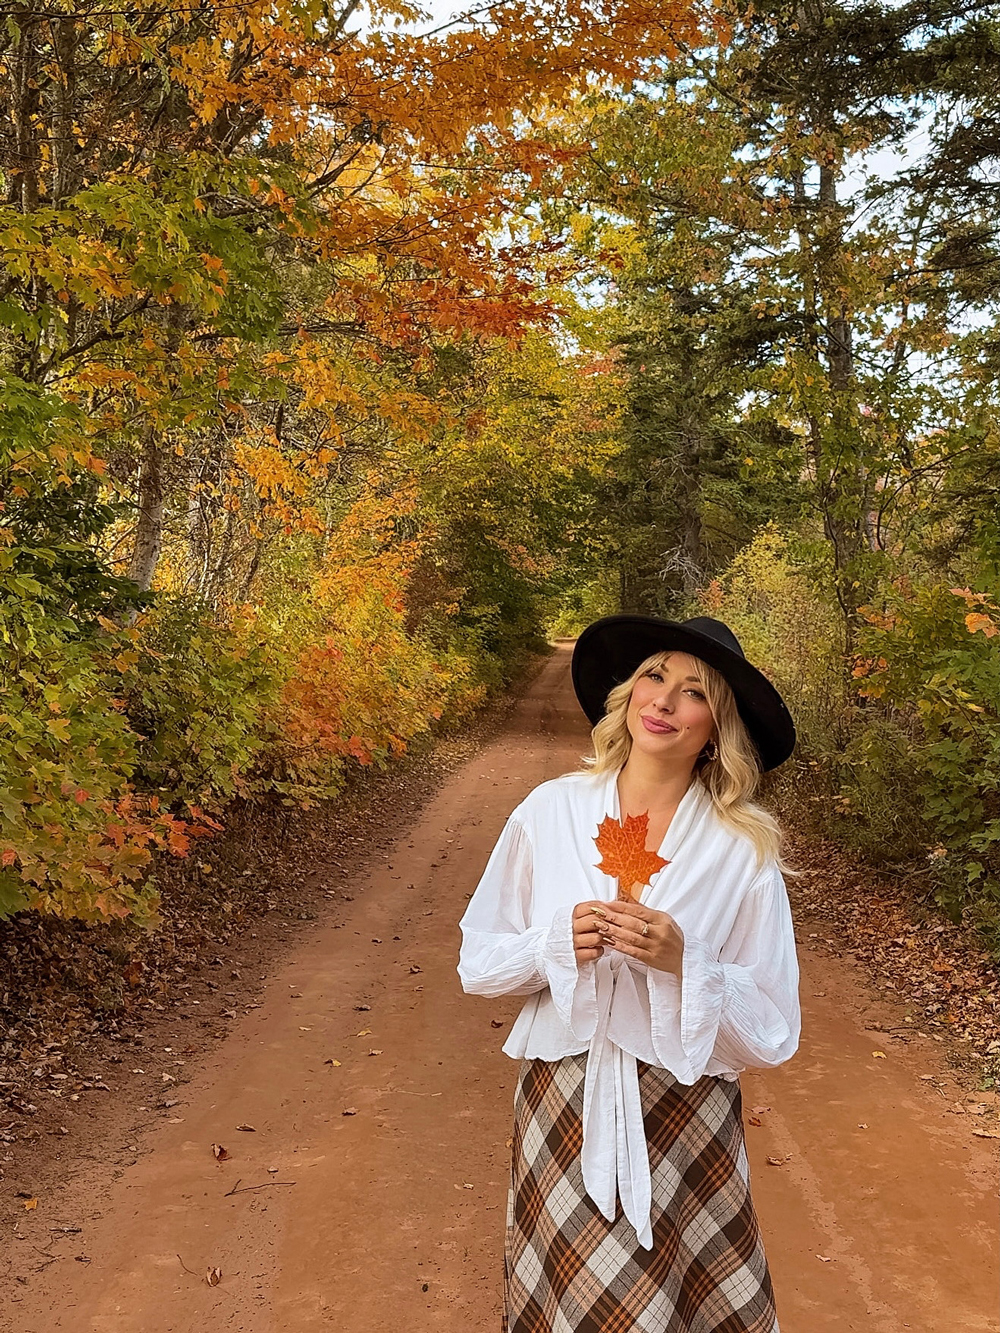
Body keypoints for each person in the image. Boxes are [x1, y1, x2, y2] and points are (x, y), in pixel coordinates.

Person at [457, 614, 802, 1333]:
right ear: (628, 693)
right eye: (655, 675)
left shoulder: (742, 851)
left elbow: (771, 1025)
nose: (665, 701)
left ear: (718, 727)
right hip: (565, 1104)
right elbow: (479, 962)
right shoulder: (549, 812)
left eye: (694, 691)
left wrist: (688, 962)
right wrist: (554, 942)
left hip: (685, 1114)